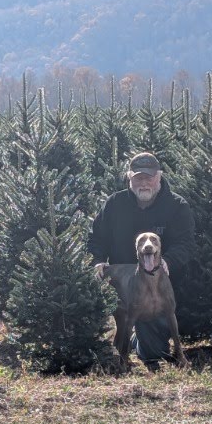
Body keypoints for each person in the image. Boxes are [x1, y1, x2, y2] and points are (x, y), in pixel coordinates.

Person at [88, 152, 196, 369]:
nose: (144, 183)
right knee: (122, 322)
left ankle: (139, 339)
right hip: (121, 284)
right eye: (138, 178)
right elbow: (96, 237)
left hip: (159, 283)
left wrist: (168, 261)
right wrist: (98, 260)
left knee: (154, 353)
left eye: (149, 177)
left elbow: (186, 243)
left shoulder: (176, 206)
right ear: (129, 178)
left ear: (159, 177)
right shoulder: (115, 204)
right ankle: (120, 344)